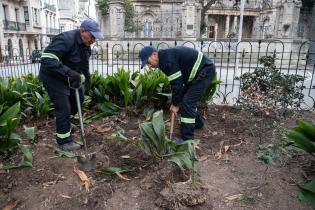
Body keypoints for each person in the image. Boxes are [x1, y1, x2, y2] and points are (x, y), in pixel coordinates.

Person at [39, 19, 103, 150]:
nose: (93, 40)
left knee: (78, 100)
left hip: (70, 77)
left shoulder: (86, 45)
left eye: (95, 38)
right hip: (53, 77)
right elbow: (47, 59)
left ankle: (65, 122)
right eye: (92, 36)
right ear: (82, 30)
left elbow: (84, 64)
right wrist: (68, 72)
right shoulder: (66, 39)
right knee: (64, 106)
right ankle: (64, 141)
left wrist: (88, 79)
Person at [139, 46, 216, 142]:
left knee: (188, 102)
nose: (149, 66)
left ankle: (187, 140)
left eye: (148, 62)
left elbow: (177, 84)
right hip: (197, 74)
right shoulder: (164, 58)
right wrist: (176, 102)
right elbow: (177, 82)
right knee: (186, 100)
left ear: (154, 55)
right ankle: (198, 123)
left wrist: (175, 104)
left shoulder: (166, 61)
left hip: (205, 71)